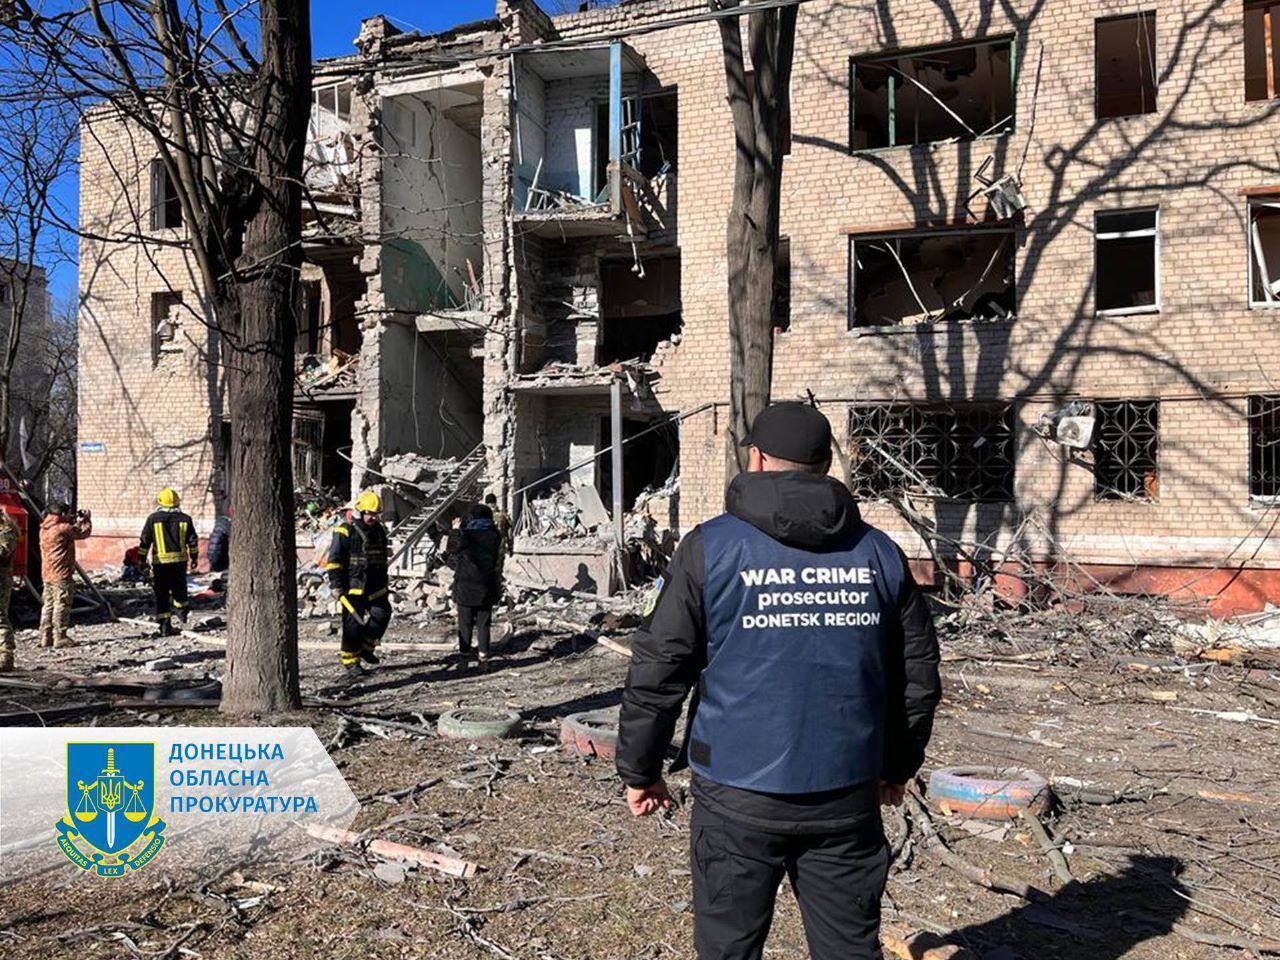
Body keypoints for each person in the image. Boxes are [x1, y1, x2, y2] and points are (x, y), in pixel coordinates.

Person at [616, 402, 942, 960]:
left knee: (728, 946)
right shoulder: (879, 553)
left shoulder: (710, 547)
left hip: (738, 791)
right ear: (824, 465)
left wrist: (640, 770)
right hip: (846, 790)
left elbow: (659, 668)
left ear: (757, 458)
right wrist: (896, 764)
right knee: (848, 948)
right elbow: (917, 675)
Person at [325, 490, 391, 676]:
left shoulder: (379, 531)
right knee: (353, 625)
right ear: (361, 511)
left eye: (376, 514)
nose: (373, 517)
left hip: (375, 586)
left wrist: (385, 584)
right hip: (352, 587)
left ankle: (366, 648)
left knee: (382, 614)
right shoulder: (345, 531)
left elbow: (382, 560)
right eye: (370, 513)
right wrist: (336, 585)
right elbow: (334, 560)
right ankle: (351, 661)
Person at [446, 503, 503, 672]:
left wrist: (455, 529)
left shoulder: (466, 535)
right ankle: (483, 661)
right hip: (486, 586)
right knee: (484, 624)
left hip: (466, 586)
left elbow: (452, 549)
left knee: (465, 624)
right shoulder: (495, 535)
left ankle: (464, 661)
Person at [139, 488, 199, 637]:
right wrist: (194, 558)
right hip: (179, 562)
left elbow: (145, 540)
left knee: (162, 593)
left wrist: (141, 559)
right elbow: (192, 541)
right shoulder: (185, 519)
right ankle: (182, 612)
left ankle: (165, 626)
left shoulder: (153, 519)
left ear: (160, 502)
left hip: (160, 563)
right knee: (180, 588)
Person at [39, 501, 92, 649]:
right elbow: (83, 533)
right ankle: (60, 637)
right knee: (61, 604)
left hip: (47, 573)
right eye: (68, 513)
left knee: (48, 605)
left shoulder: (44, 527)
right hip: (61, 573)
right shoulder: (63, 528)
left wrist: (75, 521)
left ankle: (45, 636)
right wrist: (86, 520)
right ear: (62, 515)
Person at [0, 510, 19, 671]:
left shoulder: (7, 531)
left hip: (1, 581)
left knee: (0, 619)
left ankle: (6, 658)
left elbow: (3, 553)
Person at [207, 507, 231, 574]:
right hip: (223, 560)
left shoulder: (221, 524)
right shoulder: (226, 525)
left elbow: (214, 544)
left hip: (220, 561)